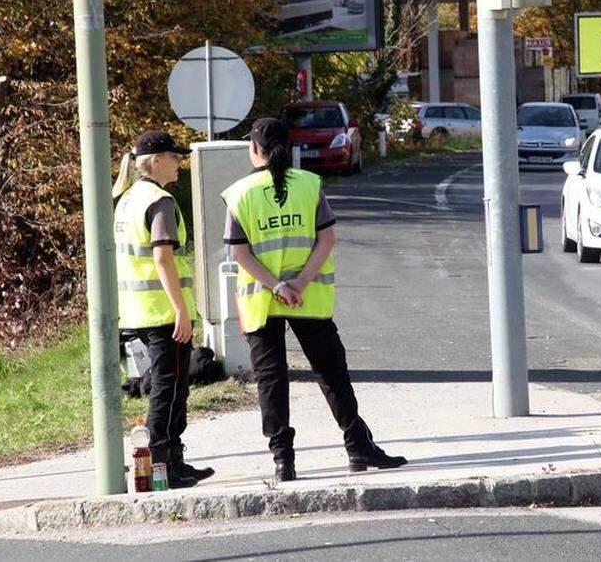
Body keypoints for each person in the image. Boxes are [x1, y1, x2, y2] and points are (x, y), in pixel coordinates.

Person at [222, 117, 406, 482]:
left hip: (262, 298)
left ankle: (283, 460)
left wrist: (277, 286)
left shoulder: (239, 194)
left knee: (271, 379)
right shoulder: (310, 185)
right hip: (309, 296)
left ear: (255, 150)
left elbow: (241, 255)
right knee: (331, 373)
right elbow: (327, 239)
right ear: (287, 148)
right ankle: (358, 447)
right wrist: (300, 283)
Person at [112, 130, 215, 489]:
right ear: (156, 161)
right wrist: (181, 312)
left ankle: (171, 465)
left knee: (162, 389)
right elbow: (162, 258)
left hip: (134, 312)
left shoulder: (126, 199)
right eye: (174, 157)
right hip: (162, 314)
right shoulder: (159, 201)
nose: (179, 163)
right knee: (169, 393)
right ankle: (166, 469)